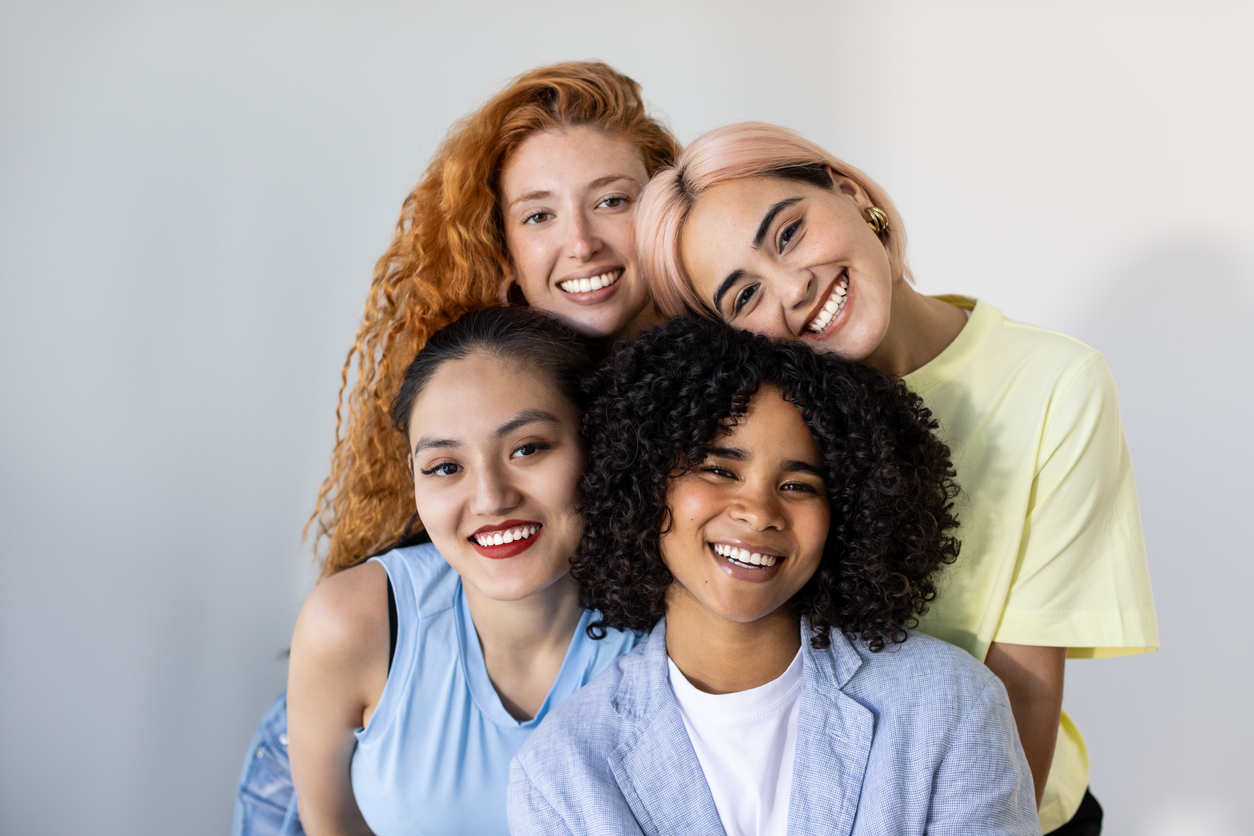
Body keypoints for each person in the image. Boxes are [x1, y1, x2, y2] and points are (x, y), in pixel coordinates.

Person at [634, 122, 1159, 834]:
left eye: (788, 234)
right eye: (744, 296)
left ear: (850, 193)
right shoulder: (766, 424)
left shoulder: (1053, 385)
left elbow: (1025, 692)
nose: (791, 289)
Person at [232, 61, 680, 836]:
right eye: (538, 215)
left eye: (612, 200)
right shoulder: (463, 368)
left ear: (666, 217)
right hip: (385, 730)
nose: (580, 241)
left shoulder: (717, 382)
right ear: (502, 250)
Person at [508, 317, 1041, 836]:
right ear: (645, 483)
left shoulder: (947, 704)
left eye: (800, 485)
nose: (760, 511)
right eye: (720, 470)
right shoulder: (562, 771)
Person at [302, 307, 644, 836]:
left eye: (527, 448)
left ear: (597, 447)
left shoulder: (672, 636)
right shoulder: (351, 624)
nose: (490, 499)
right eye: (446, 467)